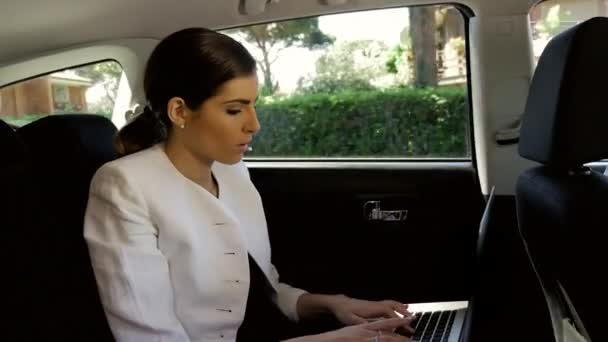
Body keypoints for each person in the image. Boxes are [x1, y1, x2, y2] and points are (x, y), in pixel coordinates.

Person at [84, 27, 414, 342]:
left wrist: (333, 304)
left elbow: (262, 294)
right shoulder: (123, 186)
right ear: (180, 111)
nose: (253, 124)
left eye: (253, 105)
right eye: (234, 110)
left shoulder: (233, 172)